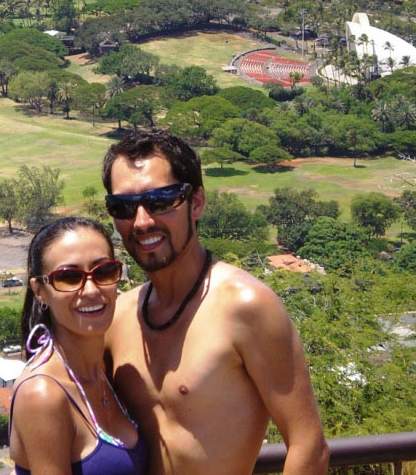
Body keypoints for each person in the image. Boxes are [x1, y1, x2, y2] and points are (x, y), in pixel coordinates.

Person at [102, 130, 329, 475]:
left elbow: (308, 446)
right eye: (123, 207)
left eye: (161, 201)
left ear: (196, 203)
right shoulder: (118, 317)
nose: (142, 220)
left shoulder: (245, 306)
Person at [10, 217, 148, 475]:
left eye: (104, 271)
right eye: (69, 277)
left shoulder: (107, 371)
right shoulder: (43, 394)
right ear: (39, 290)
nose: (91, 290)